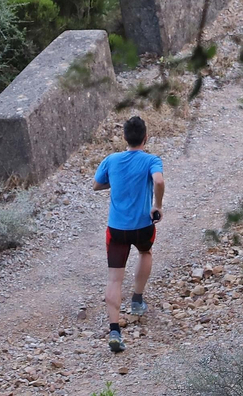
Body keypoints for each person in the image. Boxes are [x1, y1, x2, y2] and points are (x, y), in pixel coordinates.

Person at [93, 115, 165, 354]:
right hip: (143, 225)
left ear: (124, 137)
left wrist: (115, 183)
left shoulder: (111, 160)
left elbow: (96, 185)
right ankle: (137, 299)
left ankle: (114, 330)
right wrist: (158, 204)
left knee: (114, 278)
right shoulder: (151, 160)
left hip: (116, 229)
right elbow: (158, 180)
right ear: (146, 137)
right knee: (146, 252)